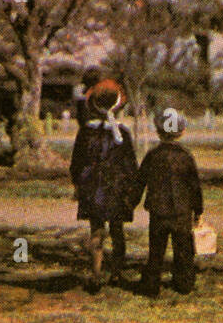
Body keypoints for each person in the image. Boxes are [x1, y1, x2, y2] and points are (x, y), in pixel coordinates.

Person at [69, 78, 138, 292]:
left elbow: (76, 164)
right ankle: (117, 273)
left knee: (96, 230)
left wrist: (77, 185)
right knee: (117, 231)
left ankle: (96, 272)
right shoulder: (122, 134)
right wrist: (131, 188)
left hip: (93, 187)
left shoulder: (86, 133)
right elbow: (130, 165)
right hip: (116, 187)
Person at [133, 106, 203, 298]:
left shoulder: (152, 156)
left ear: (158, 131)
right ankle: (184, 283)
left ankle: (151, 284)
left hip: (158, 211)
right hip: (181, 211)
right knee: (183, 249)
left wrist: (130, 202)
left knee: (156, 249)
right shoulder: (185, 157)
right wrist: (198, 210)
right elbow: (194, 186)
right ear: (181, 132)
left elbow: (140, 181)